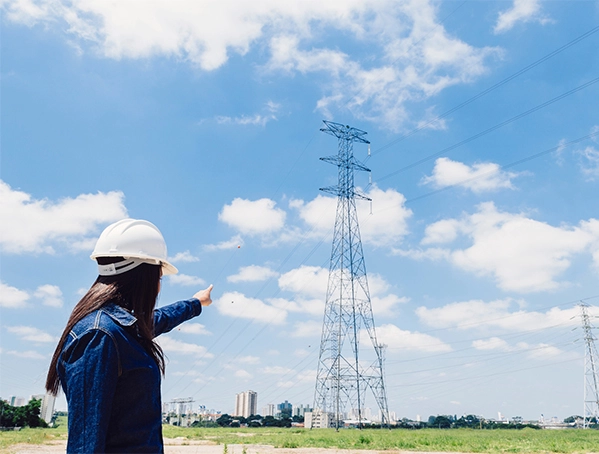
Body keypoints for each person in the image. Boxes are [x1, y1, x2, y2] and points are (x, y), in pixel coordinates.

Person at [45, 218, 213, 453]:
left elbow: (159, 319)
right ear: (144, 277)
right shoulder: (99, 336)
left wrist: (196, 303)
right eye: (159, 277)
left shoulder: (122, 329)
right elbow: (85, 446)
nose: (159, 286)